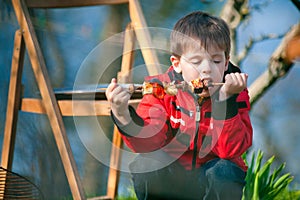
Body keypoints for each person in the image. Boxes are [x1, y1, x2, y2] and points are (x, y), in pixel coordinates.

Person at [106, 11, 253, 200]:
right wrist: (123, 115)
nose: (207, 68)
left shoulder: (235, 93)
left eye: (216, 60)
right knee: (146, 164)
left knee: (226, 171)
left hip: (210, 181)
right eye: (196, 61)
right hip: (174, 181)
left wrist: (225, 101)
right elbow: (150, 142)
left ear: (226, 63)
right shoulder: (161, 90)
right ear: (177, 63)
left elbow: (230, 151)